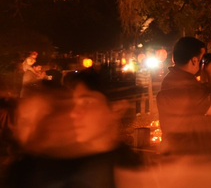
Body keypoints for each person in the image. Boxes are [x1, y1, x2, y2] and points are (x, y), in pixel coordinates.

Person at [4, 70, 141, 187]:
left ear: (118, 108)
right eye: (73, 104)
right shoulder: (42, 167)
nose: (74, 113)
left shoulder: (132, 172)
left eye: (86, 102)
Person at [156, 37, 211, 154]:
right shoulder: (183, 86)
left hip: (190, 156)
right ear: (194, 61)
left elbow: (203, 95)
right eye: (203, 58)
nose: (204, 63)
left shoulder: (176, 80)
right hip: (193, 159)